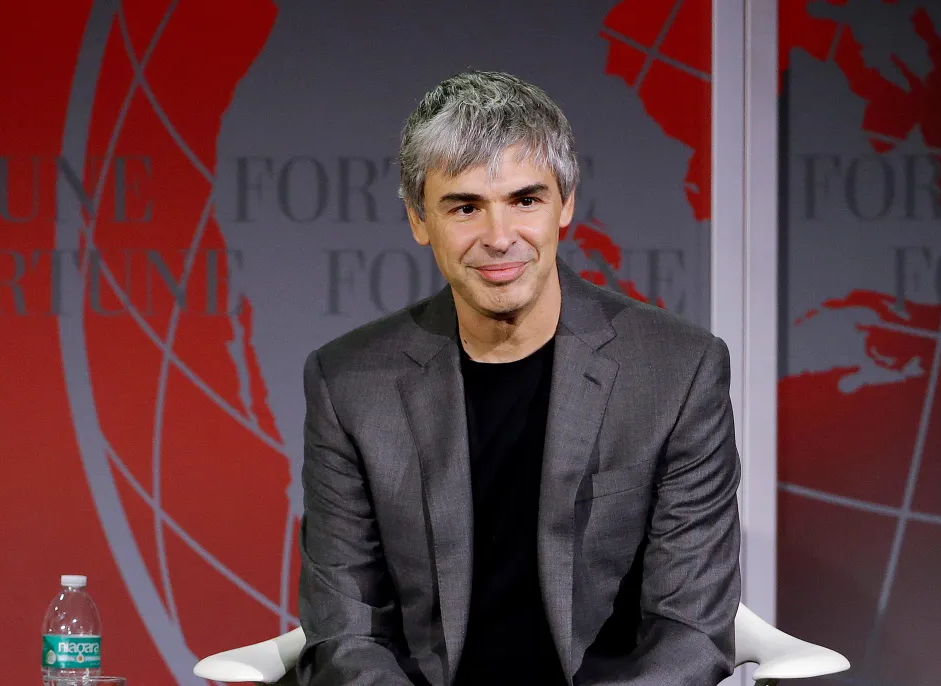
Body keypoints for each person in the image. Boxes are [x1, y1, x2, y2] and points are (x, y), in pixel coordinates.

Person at [296, 70, 741, 686]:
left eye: (525, 200)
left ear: (566, 202)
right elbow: (347, 626)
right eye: (465, 207)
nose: (499, 238)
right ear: (419, 220)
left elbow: (689, 630)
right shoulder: (348, 382)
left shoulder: (677, 371)